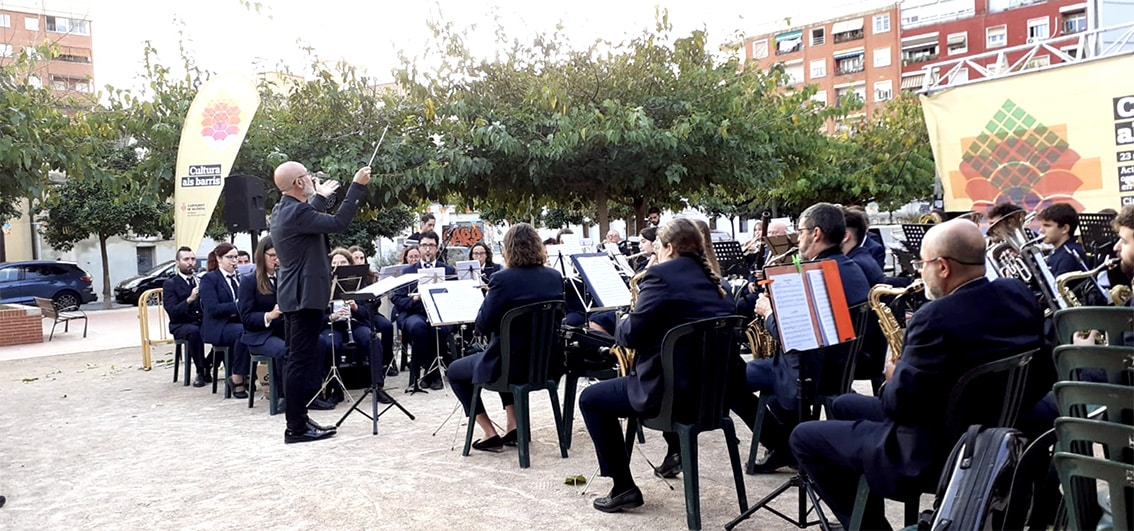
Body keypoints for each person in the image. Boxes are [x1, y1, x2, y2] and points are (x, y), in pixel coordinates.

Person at [789, 218, 1044, 529]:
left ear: (943, 267)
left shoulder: (933, 318)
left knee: (805, 436)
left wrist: (893, 376)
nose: (918, 273)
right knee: (843, 404)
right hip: (995, 425)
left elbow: (898, 406)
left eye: (922, 264)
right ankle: (860, 504)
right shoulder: (1017, 293)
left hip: (932, 453)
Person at [578, 218, 735, 513]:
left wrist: (626, 318)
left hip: (669, 398)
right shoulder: (718, 282)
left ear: (669, 248)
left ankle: (623, 487)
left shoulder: (660, 276)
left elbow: (630, 336)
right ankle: (659, 461)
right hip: (712, 397)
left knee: (591, 399)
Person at [745, 203, 870, 473]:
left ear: (815, 233)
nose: (797, 238)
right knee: (764, 378)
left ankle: (782, 445)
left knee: (733, 379)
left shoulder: (817, 275)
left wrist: (768, 313)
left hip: (811, 373)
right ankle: (785, 444)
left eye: (800, 232)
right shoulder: (850, 267)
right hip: (838, 369)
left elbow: (795, 339)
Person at [270, 161, 370, 444]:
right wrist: (357, 186)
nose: (313, 179)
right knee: (299, 362)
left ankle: (298, 419)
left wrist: (320, 196)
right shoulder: (298, 212)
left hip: (293, 295)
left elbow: (308, 214)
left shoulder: (281, 209)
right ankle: (296, 427)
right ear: (299, 183)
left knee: (296, 359)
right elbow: (338, 222)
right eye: (308, 176)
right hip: (305, 297)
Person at [447, 224, 563, 451]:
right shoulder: (554, 276)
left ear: (508, 249)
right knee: (503, 352)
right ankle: (513, 427)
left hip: (509, 367)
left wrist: (489, 296)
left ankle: (489, 433)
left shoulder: (502, 279)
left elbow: (482, 325)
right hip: (545, 365)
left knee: (455, 370)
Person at [390, 230, 456, 390]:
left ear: (437, 248)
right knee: (418, 328)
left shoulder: (447, 270)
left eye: (431, 246)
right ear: (419, 248)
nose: (428, 249)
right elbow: (397, 299)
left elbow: (454, 297)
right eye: (424, 245)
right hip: (414, 313)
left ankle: (430, 373)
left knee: (438, 328)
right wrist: (414, 299)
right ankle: (431, 371)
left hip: (440, 314)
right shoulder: (407, 272)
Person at [323, 248, 386, 403]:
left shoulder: (360, 282)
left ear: (349, 264)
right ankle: (335, 390)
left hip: (355, 323)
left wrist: (356, 308)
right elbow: (317, 313)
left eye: (343, 262)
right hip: (334, 325)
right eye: (335, 263)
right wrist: (332, 316)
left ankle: (377, 386)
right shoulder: (323, 283)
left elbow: (370, 311)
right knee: (330, 344)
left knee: (373, 340)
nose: (339, 265)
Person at [237, 236, 287, 409]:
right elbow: (246, 317)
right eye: (272, 255)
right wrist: (269, 315)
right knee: (283, 351)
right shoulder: (249, 281)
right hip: (259, 335)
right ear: (261, 256)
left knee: (312, 343)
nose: (276, 259)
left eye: (279, 255)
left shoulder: (285, 277)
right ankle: (283, 396)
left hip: (284, 330)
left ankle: (311, 393)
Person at [199, 242, 251, 399]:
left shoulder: (239, 278)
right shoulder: (209, 279)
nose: (234, 261)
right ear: (219, 258)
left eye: (236, 257)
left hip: (237, 322)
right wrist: (239, 306)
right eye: (230, 257)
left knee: (258, 329)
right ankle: (237, 378)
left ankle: (253, 375)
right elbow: (212, 308)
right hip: (219, 326)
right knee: (243, 333)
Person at [162, 246, 209, 387]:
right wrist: (190, 298)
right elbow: (173, 311)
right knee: (194, 332)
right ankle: (201, 371)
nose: (190, 263)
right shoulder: (170, 284)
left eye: (193, 259)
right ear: (177, 263)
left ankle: (209, 364)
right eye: (186, 259)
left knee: (223, 329)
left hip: (199, 321)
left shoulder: (199, 280)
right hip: (180, 324)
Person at [348, 243, 396, 378]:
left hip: (370, 313)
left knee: (386, 326)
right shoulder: (347, 278)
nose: (359, 261)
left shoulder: (370, 278)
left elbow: (376, 302)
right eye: (355, 258)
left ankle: (388, 361)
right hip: (354, 316)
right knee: (369, 331)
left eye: (361, 258)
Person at [1036, 202, 1088, 278]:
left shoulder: (1069, 254)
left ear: (1065, 229)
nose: (1041, 230)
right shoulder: (1059, 251)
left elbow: (1055, 288)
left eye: (1047, 226)